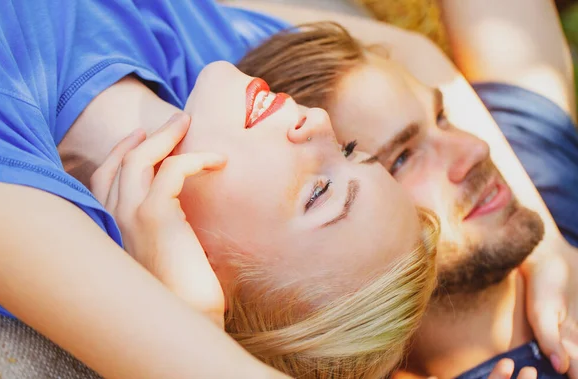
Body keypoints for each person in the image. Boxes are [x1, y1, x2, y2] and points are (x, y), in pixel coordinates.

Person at [0, 1, 439, 378]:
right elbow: (417, 53)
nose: (316, 120)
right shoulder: (223, 54)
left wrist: (192, 318)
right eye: (349, 147)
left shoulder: (17, 200)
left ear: (210, 273)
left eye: (318, 192)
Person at [236, 0, 578, 377]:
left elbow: (432, 45)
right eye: (402, 158)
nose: (476, 148)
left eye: (443, 117)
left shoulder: (541, 189)